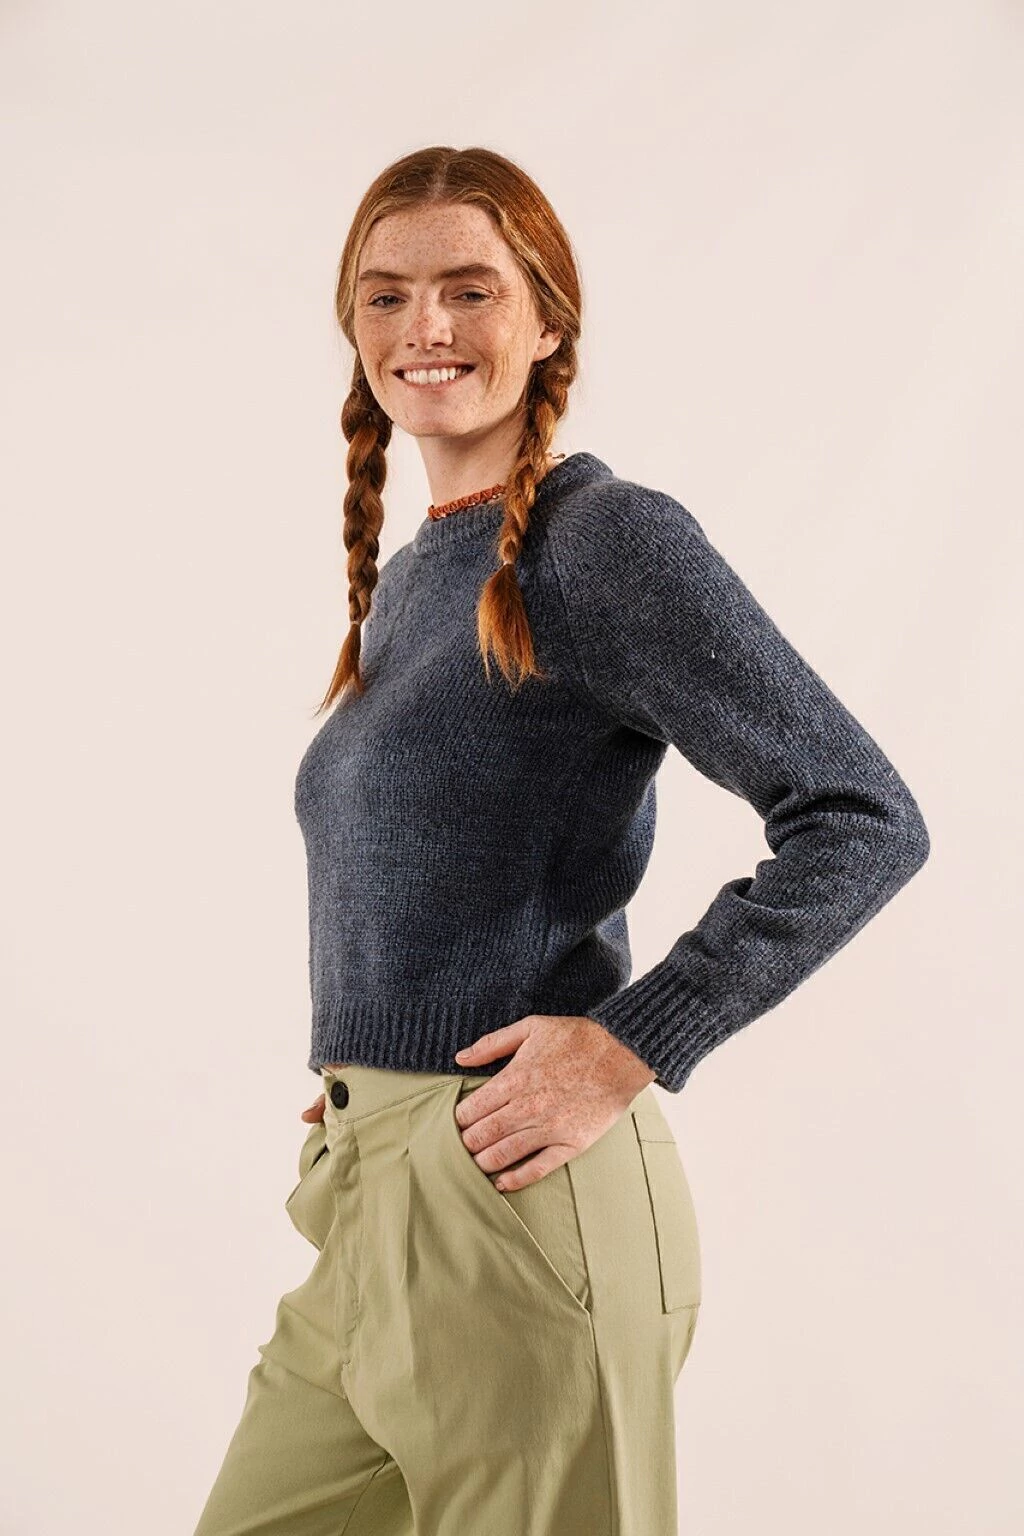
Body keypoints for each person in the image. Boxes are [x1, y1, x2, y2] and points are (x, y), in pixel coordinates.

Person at [191, 145, 930, 1536]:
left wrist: (632, 1039)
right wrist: (376, 1068)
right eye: (386, 295)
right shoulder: (424, 574)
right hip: (373, 1194)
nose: (426, 326)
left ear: (547, 321)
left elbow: (860, 813)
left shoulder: (602, 542)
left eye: (470, 289)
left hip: (518, 1201)